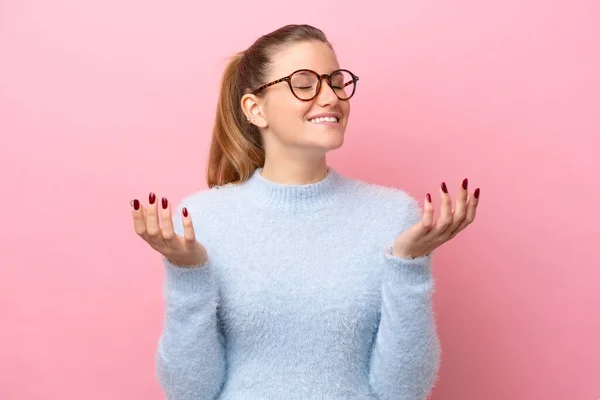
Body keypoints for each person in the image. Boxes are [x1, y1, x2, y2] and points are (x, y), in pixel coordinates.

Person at [130, 24, 480, 400]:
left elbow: (402, 391)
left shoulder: (393, 216)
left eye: (335, 81)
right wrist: (188, 274)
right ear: (255, 108)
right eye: (305, 82)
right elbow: (190, 392)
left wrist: (410, 264)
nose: (330, 97)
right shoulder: (201, 219)